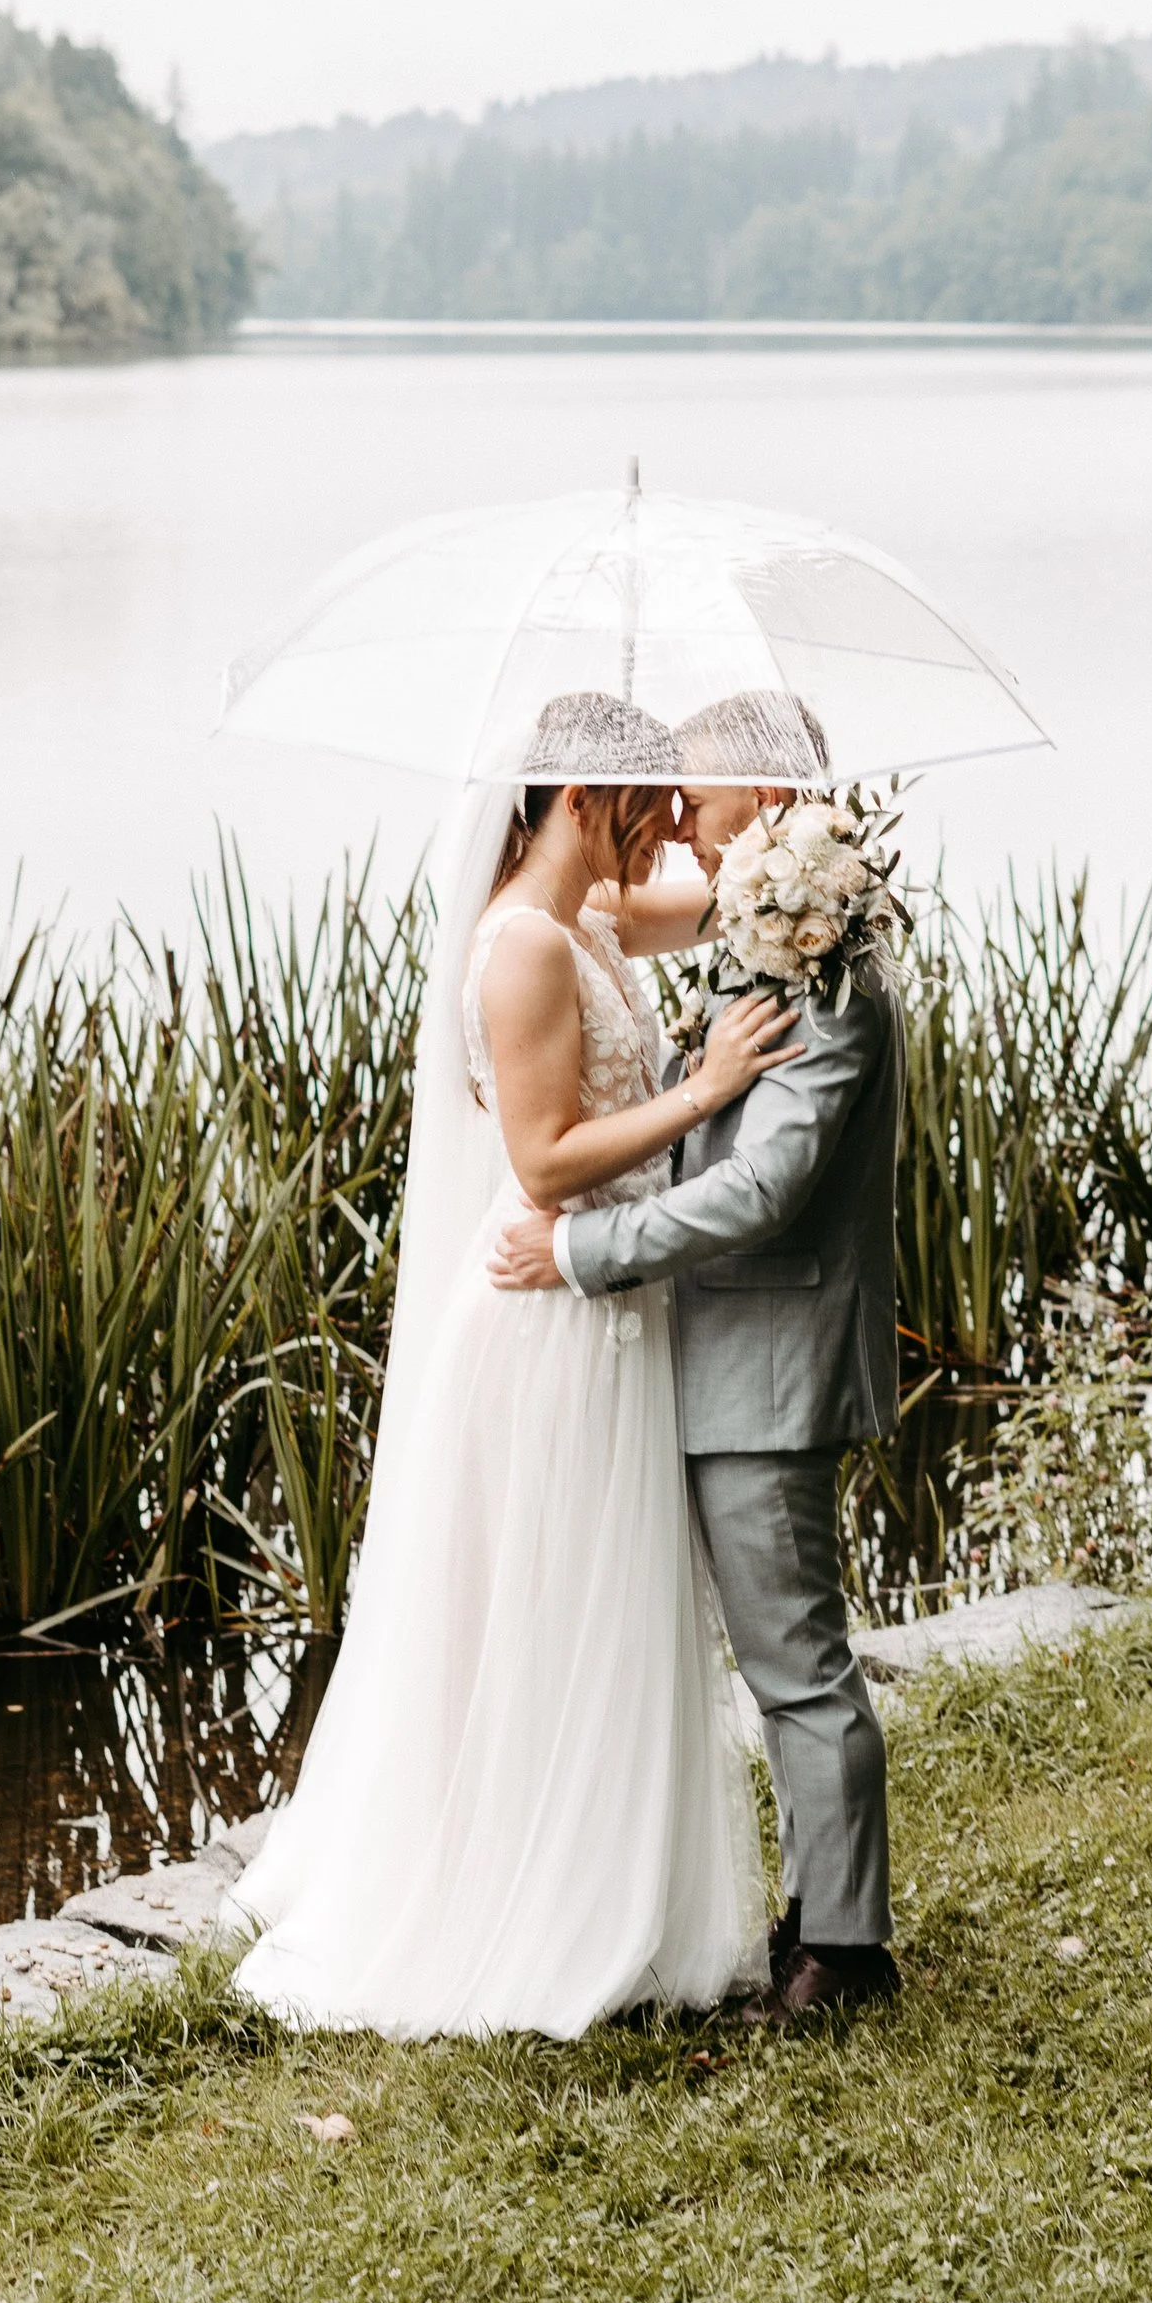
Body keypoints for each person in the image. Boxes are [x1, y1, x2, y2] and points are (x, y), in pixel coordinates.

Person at [228, 694, 801, 2037]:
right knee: (554, 1590)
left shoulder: (592, 917)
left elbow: (727, 904)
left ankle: (613, 1881)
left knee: (609, 1591)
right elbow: (542, 1159)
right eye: (647, 804)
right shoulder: (522, 949)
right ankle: (531, 1896)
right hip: (548, 1309)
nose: (667, 830)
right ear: (579, 801)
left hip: (607, 1290)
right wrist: (704, 1091)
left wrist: (797, 841)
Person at [487, 690, 903, 2025]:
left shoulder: (823, 970)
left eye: (702, 799)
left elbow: (764, 1186)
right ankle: (818, 1914)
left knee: (798, 1665)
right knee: (784, 1662)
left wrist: (583, 1254)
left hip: (768, 1364)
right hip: (728, 1352)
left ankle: (842, 1954)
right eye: (663, 795)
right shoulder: (770, 938)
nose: (683, 821)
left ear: (768, 805)